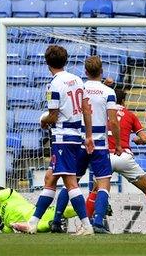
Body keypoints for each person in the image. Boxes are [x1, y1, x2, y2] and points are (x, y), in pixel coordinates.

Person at [12, 45, 94, 235]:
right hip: (74, 135)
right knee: (50, 178)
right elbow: (87, 109)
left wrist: (42, 120)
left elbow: (53, 115)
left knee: (70, 182)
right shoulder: (77, 80)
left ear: (47, 63)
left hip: (63, 137)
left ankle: (87, 226)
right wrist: (88, 135)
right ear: (65, 61)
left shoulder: (54, 84)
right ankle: (32, 223)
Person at [86, 87, 146, 233]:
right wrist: (137, 140)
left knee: (97, 189)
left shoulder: (102, 113)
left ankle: (86, 223)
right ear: (124, 101)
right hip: (124, 157)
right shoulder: (130, 115)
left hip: (105, 156)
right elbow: (145, 138)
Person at [51, 56, 121, 234]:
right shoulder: (108, 92)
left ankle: (57, 220)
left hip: (79, 141)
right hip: (99, 143)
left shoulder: (79, 87)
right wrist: (118, 145)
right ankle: (97, 222)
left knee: (71, 182)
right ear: (102, 71)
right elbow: (113, 121)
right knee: (104, 183)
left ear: (85, 71)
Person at [0, 186, 77, 233]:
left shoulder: (9, 193)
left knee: (63, 210)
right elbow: (9, 232)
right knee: (36, 227)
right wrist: (0, 226)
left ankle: (89, 214)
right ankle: (52, 224)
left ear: (0, 192)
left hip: (34, 212)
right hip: (23, 225)